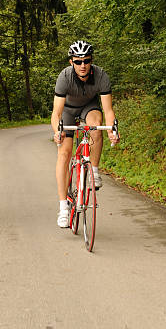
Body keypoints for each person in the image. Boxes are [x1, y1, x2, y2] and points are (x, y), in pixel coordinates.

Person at [51, 40, 120, 228]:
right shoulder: (64, 77)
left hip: (89, 107)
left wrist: (113, 129)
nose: (83, 65)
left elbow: (108, 110)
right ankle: (63, 208)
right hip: (67, 110)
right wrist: (57, 131)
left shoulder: (101, 76)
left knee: (96, 126)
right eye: (78, 61)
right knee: (64, 153)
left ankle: (94, 171)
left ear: (91, 61)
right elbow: (56, 112)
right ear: (71, 62)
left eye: (86, 61)